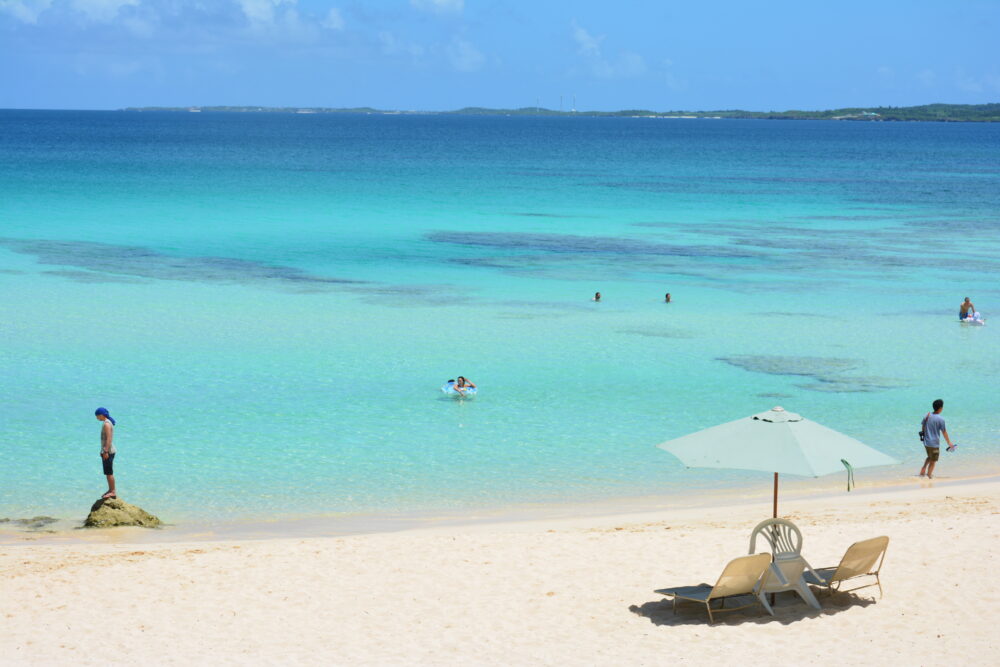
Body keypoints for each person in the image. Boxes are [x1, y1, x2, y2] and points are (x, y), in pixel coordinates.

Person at [919, 399, 954, 479]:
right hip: (934, 443)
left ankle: (923, 468)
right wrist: (949, 443)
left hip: (926, 442)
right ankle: (929, 476)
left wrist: (925, 436)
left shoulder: (927, 415)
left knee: (929, 456)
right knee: (933, 461)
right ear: (940, 408)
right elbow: (944, 432)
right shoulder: (940, 419)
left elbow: (923, 427)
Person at [95, 407, 117, 499]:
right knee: (107, 472)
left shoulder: (107, 424)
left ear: (101, 415)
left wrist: (106, 451)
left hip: (109, 451)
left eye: (97, 416)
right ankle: (110, 490)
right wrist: (102, 451)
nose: (96, 418)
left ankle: (112, 491)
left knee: (109, 473)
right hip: (107, 451)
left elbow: (109, 439)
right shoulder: (107, 423)